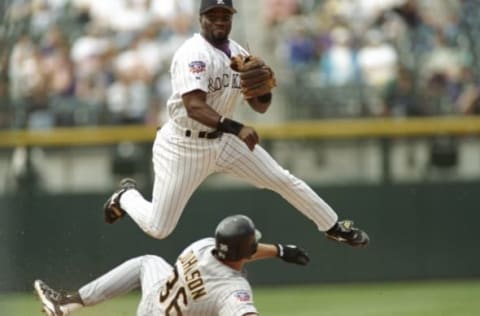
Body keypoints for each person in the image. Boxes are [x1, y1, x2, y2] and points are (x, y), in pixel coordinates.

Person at [103, 0, 369, 248]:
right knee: (159, 228)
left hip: (223, 141)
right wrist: (237, 128)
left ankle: (333, 225)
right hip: (183, 146)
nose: (220, 21)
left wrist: (262, 89)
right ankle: (126, 196)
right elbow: (194, 107)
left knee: (281, 179)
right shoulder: (193, 54)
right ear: (201, 18)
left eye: (225, 16)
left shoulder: (238, 53)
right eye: (213, 16)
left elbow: (260, 107)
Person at [34, 214, 310, 316]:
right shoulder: (232, 290)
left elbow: (240, 251)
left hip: (157, 299)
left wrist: (279, 251)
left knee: (148, 262)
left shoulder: (203, 246)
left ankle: (68, 304)